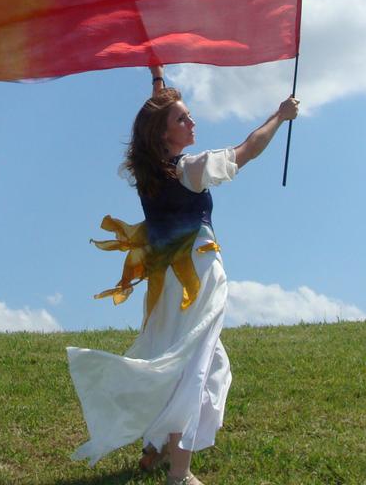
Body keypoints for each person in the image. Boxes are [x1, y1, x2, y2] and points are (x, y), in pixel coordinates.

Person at [67, 66, 299, 485]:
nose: (192, 122)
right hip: (198, 276)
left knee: (178, 355)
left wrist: (157, 79)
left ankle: (155, 447)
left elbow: (154, 116)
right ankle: (180, 472)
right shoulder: (190, 169)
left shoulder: (150, 170)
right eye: (182, 119)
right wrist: (279, 116)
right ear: (164, 134)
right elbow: (246, 150)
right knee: (196, 366)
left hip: (167, 282)